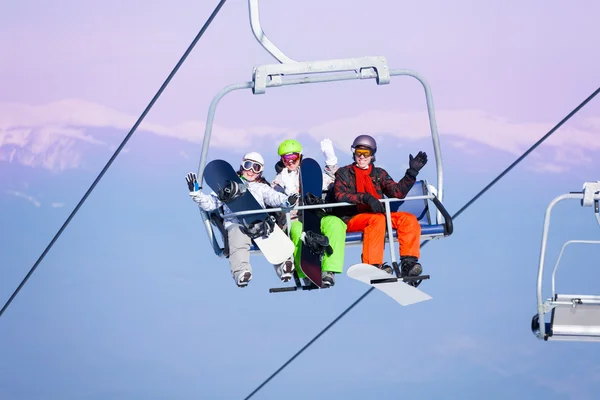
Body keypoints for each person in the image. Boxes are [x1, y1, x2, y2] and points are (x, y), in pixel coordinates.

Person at [186, 152, 298, 288]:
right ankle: (241, 271)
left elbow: (274, 197)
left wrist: (287, 201)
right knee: (237, 237)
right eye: (248, 165)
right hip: (236, 222)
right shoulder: (228, 187)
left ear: (260, 171)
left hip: (258, 222)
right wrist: (196, 194)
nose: (251, 171)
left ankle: (284, 266)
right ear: (242, 165)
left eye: (255, 167)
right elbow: (211, 204)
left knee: (271, 231)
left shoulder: (261, 188)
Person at [332, 134, 427, 277]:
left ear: (372, 155)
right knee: (377, 220)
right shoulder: (344, 173)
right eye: (359, 152)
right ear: (354, 153)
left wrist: (412, 173)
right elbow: (340, 196)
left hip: (379, 215)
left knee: (408, 219)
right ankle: (373, 264)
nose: (362, 157)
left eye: (366, 153)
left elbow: (397, 192)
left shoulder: (378, 173)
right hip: (353, 218)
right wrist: (365, 198)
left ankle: (409, 262)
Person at [271, 139, 347, 287]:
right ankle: (305, 272)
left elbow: (335, 182)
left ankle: (329, 270)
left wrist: (331, 161)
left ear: (300, 156)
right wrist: (287, 194)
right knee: (298, 231)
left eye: (294, 157)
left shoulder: (311, 174)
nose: (291, 162)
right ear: (282, 160)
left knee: (336, 223)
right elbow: (274, 200)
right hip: (293, 219)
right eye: (286, 158)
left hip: (315, 216)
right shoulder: (279, 181)